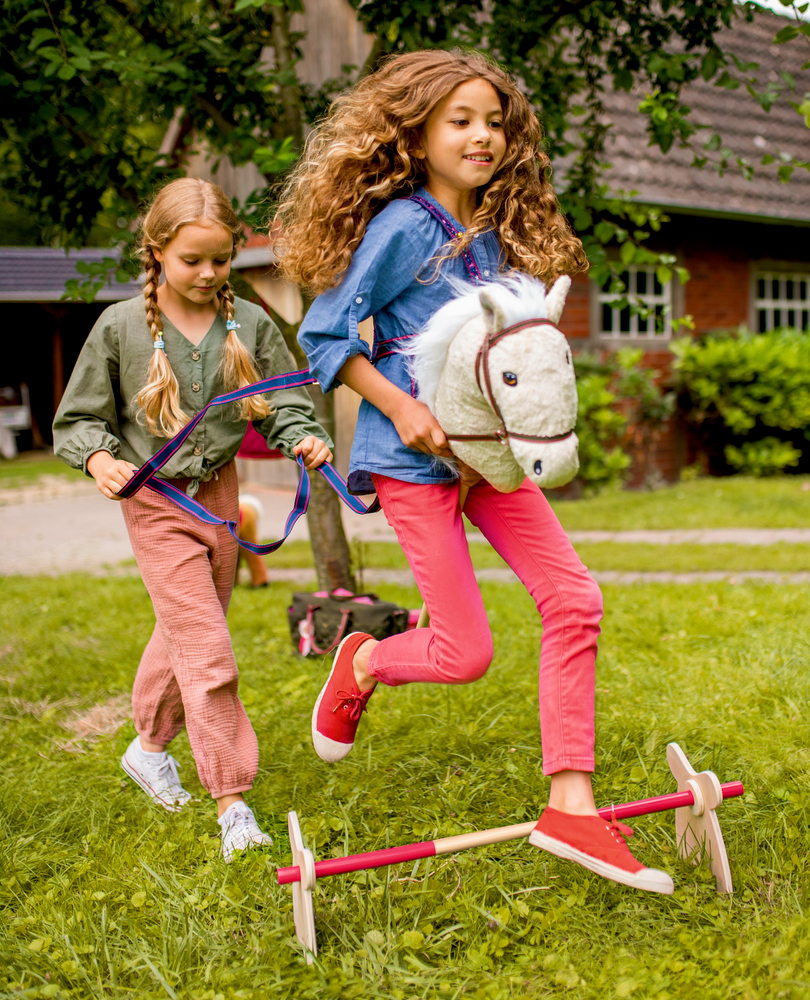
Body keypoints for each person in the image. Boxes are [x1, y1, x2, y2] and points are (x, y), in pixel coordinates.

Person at [277, 50, 673, 894]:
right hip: (413, 464)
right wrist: (402, 407)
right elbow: (324, 338)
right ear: (415, 134)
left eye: (493, 120)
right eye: (460, 120)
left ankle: (572, 803)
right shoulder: (401, 229)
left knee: (576, 600)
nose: (481, 135)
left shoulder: (491, 237)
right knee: (464, 653)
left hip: (486, 461)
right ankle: (363, 663)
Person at [53, 178, 333, 861]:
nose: (209, 274)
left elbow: (288, 395)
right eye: (192, 261)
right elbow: (81, 418)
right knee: (207, 650)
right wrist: (98, 460)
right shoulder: (120, 327)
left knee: (184, 631)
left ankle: (149, 750)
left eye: (221, 259)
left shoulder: (252, 325)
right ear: (156, 254)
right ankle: (232, 802)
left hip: (220, 496)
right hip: (155, 501)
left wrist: (304, 433)